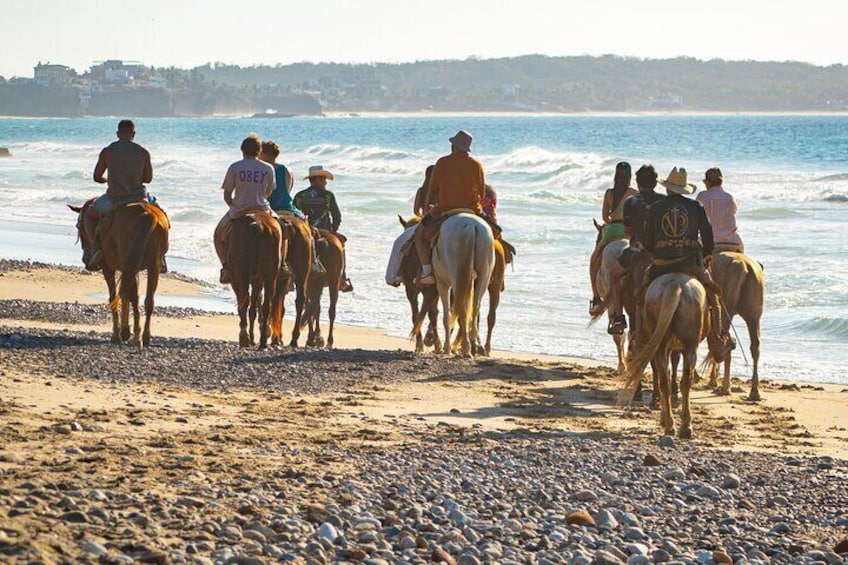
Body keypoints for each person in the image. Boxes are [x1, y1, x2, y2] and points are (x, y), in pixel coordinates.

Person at [641, 166, 735, 360]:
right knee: (714, 298)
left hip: (661, 265)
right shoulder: (695, 207)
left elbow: (647, 242)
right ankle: (717, 339)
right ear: (683, 189)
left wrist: (658, 251)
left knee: (640, 293)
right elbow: (708, 237)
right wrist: (707, 254)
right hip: (690, 264)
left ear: (667, 189)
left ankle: (638, 336)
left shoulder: (655, 208)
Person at [84, 119, 161, 271]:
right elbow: (148, 179)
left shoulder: (107, 151)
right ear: (133, 134)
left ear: (117, 134)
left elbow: (97, 177)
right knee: (161, 215)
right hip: (140, 198)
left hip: (115, 199)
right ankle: (161, 256)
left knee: (89, 215)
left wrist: (110, 179)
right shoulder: (143, 152)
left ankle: (95, 249)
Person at [415, 130, 486, 285]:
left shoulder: (442, 162)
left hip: (444, 210)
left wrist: (428, 207)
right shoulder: (477, 165)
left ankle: (427, 272)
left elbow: (433, 189)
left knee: (419, 234)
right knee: (494, 233)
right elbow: (481, 192)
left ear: (453, 146)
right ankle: (491, 273)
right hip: (472, 210)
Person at [606, 164, 664, 334]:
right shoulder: (663, 201)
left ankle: (618, 317)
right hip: (660, 252)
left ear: (638, 183)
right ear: (655, 182)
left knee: (614, 274)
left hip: (637, 251)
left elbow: (627, 230)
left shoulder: (632, 201)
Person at [214, 134, 276, 285]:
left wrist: (234, 206)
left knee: (218, 236)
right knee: (284, 231)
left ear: (242, 150)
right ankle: (283, 264)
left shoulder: (235, 167)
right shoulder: (268, 168)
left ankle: (226, 267)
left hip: (239, 210)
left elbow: (227, 194)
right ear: (259, 151)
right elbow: (269, 192)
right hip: (262, 209)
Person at [293, 166, 353, 292]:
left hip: (306, 232)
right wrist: (333, 231)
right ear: (317, 179)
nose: (325, 182)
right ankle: (342, 278)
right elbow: (337, 216)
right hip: (325, 231)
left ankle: (289, 277)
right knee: (341, 246)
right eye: (324, 179)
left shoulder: (300, 196)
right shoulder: (328, 195)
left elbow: (295, 216)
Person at [589, 162, 637, 315]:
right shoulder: (634, 193)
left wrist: (612, 222)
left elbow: (604, 217)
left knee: (594, 261)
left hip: (612, 230)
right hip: (629, 232)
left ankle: (596, 298)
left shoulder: (610, 193)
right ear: (630, 176)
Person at [696, 167, 744, 253]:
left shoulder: (702, 196)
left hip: (710, 242)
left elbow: (695, 220)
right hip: (733, 242)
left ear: (708, 182)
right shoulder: (730, 197)